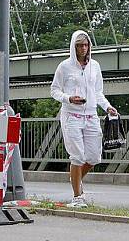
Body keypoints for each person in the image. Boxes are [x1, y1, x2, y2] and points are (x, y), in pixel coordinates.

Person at [50, 30, 118, 208]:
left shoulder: (94, 66)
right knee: (77, 156)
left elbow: (97, 92)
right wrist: (68, 98)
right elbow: (54, 90)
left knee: (94, 157)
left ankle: (75, 177)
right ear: (74, 47)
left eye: (86, 45)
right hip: (72, 116)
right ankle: (77, 197)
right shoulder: (64, 66)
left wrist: (108, 107)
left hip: (91, 116)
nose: (83, 48)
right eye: (79, 45)